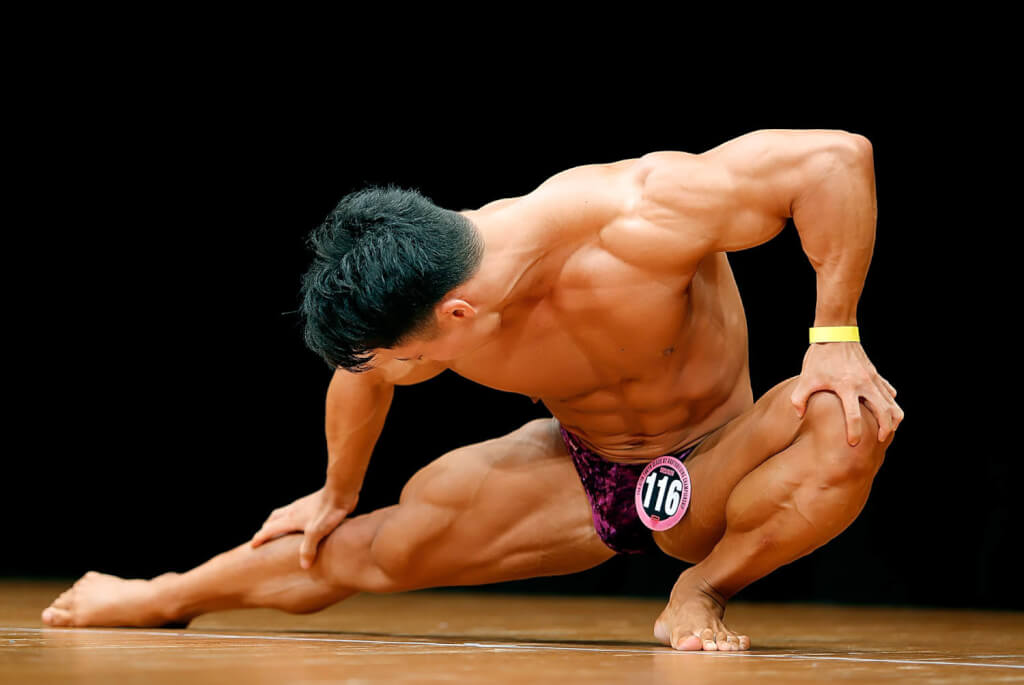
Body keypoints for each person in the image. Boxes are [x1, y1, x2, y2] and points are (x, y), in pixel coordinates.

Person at [41, 129, 903, 651]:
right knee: (364, 547)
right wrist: (336, 490)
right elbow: (363, 374)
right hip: (582, 469)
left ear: (458, 313)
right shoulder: (431, 295)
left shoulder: (635, 214)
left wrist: (835, 337)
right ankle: (157, 594)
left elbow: (833, 158)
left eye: (409, 357)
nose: (397, 371)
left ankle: (701, 590)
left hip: (720, 456)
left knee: (847, 419)